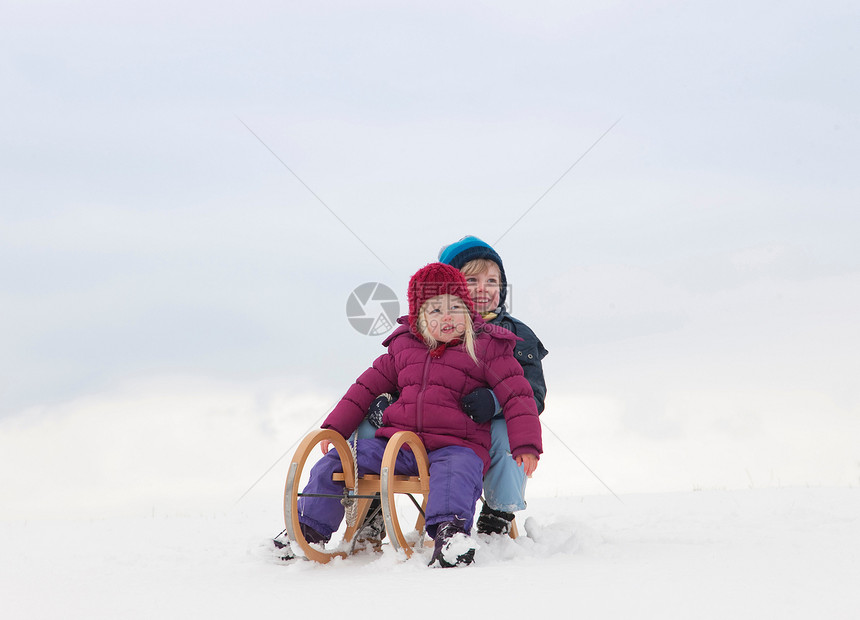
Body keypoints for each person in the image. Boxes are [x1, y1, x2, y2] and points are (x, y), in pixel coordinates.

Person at [280, 262, 542, 567]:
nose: (448, 317)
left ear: (468, 311)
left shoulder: (485, 346)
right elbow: (363, 387)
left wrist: (527, 445)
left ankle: (450, 535)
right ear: (418, 317)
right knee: (339, 461)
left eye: (455, 307)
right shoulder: (403, 347)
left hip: (457, 444)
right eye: (435, 310)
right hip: (400, 445)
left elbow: (518, 394)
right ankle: (307, 528)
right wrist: (336, 429)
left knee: (456, 475)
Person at [438, 236, 548, 535]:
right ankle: (371, 506)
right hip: (440, 426)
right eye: (471, 279)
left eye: (492, 280)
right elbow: (406, 374)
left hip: (489, 426)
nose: (483, 288)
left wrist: (495, 402)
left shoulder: (516, 334)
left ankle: (499, 510)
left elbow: (533, 394)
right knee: (374, 429)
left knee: (509, 431)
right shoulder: (433, 330)